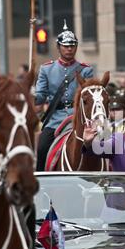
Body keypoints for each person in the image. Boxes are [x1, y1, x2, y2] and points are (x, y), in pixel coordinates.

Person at [35, 20, 93, 171]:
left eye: (72, 45)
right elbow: (41, 95)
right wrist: (34, 98)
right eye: (66, 46)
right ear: (59, 47)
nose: (69, 49)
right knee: (41, 148)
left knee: (101, 145)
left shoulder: (85, 70)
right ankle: (42, 184)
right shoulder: (46, 69)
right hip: (55, 119)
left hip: (79, 117)